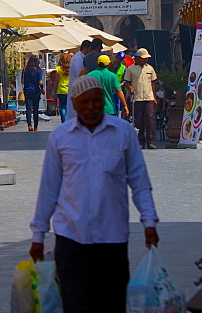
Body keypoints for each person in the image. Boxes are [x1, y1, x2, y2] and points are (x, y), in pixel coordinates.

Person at [30, 74, 159, 313]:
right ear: (74, 104)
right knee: (76, 304)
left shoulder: (123, 133)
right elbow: (49, 188)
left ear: (104, 100)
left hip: (112, 238)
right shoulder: (61, 137)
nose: (91, 107)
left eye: (96, 101)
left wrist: (149, 221)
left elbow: (139, 182)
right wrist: (38, 234)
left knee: (111, 303)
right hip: (71, 237)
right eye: (84, 102)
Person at [124, 48, 158, 150]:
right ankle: (140, 141)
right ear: (138, 58)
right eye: (143, 58)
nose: (146, 60)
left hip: (148, 97)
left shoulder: (150, 69)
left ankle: (151, 141)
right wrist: (130, 87)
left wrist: (154, 97)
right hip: (137, 98)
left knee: (150, 119)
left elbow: (153, 83)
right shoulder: (131, 69)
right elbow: (126, 82)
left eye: (146, 58)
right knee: (138, 120)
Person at [22, 56, 44, 131]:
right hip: (36, 91)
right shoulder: (38, 71)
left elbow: (22, 81)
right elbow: (40, 82)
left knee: (28, 109)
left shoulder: (25, 70)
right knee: (35, 109)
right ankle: (36, 126)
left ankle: (29, 125)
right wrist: (42, 88)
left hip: (27, 91)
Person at [52, 53, 71, 122]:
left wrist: (54, 91)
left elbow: (56, 81)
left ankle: (64, 122)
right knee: (69, 107)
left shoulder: (59, 69)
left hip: (61, 89)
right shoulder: (71, 68)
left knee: (63, 107)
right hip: (69, 89)